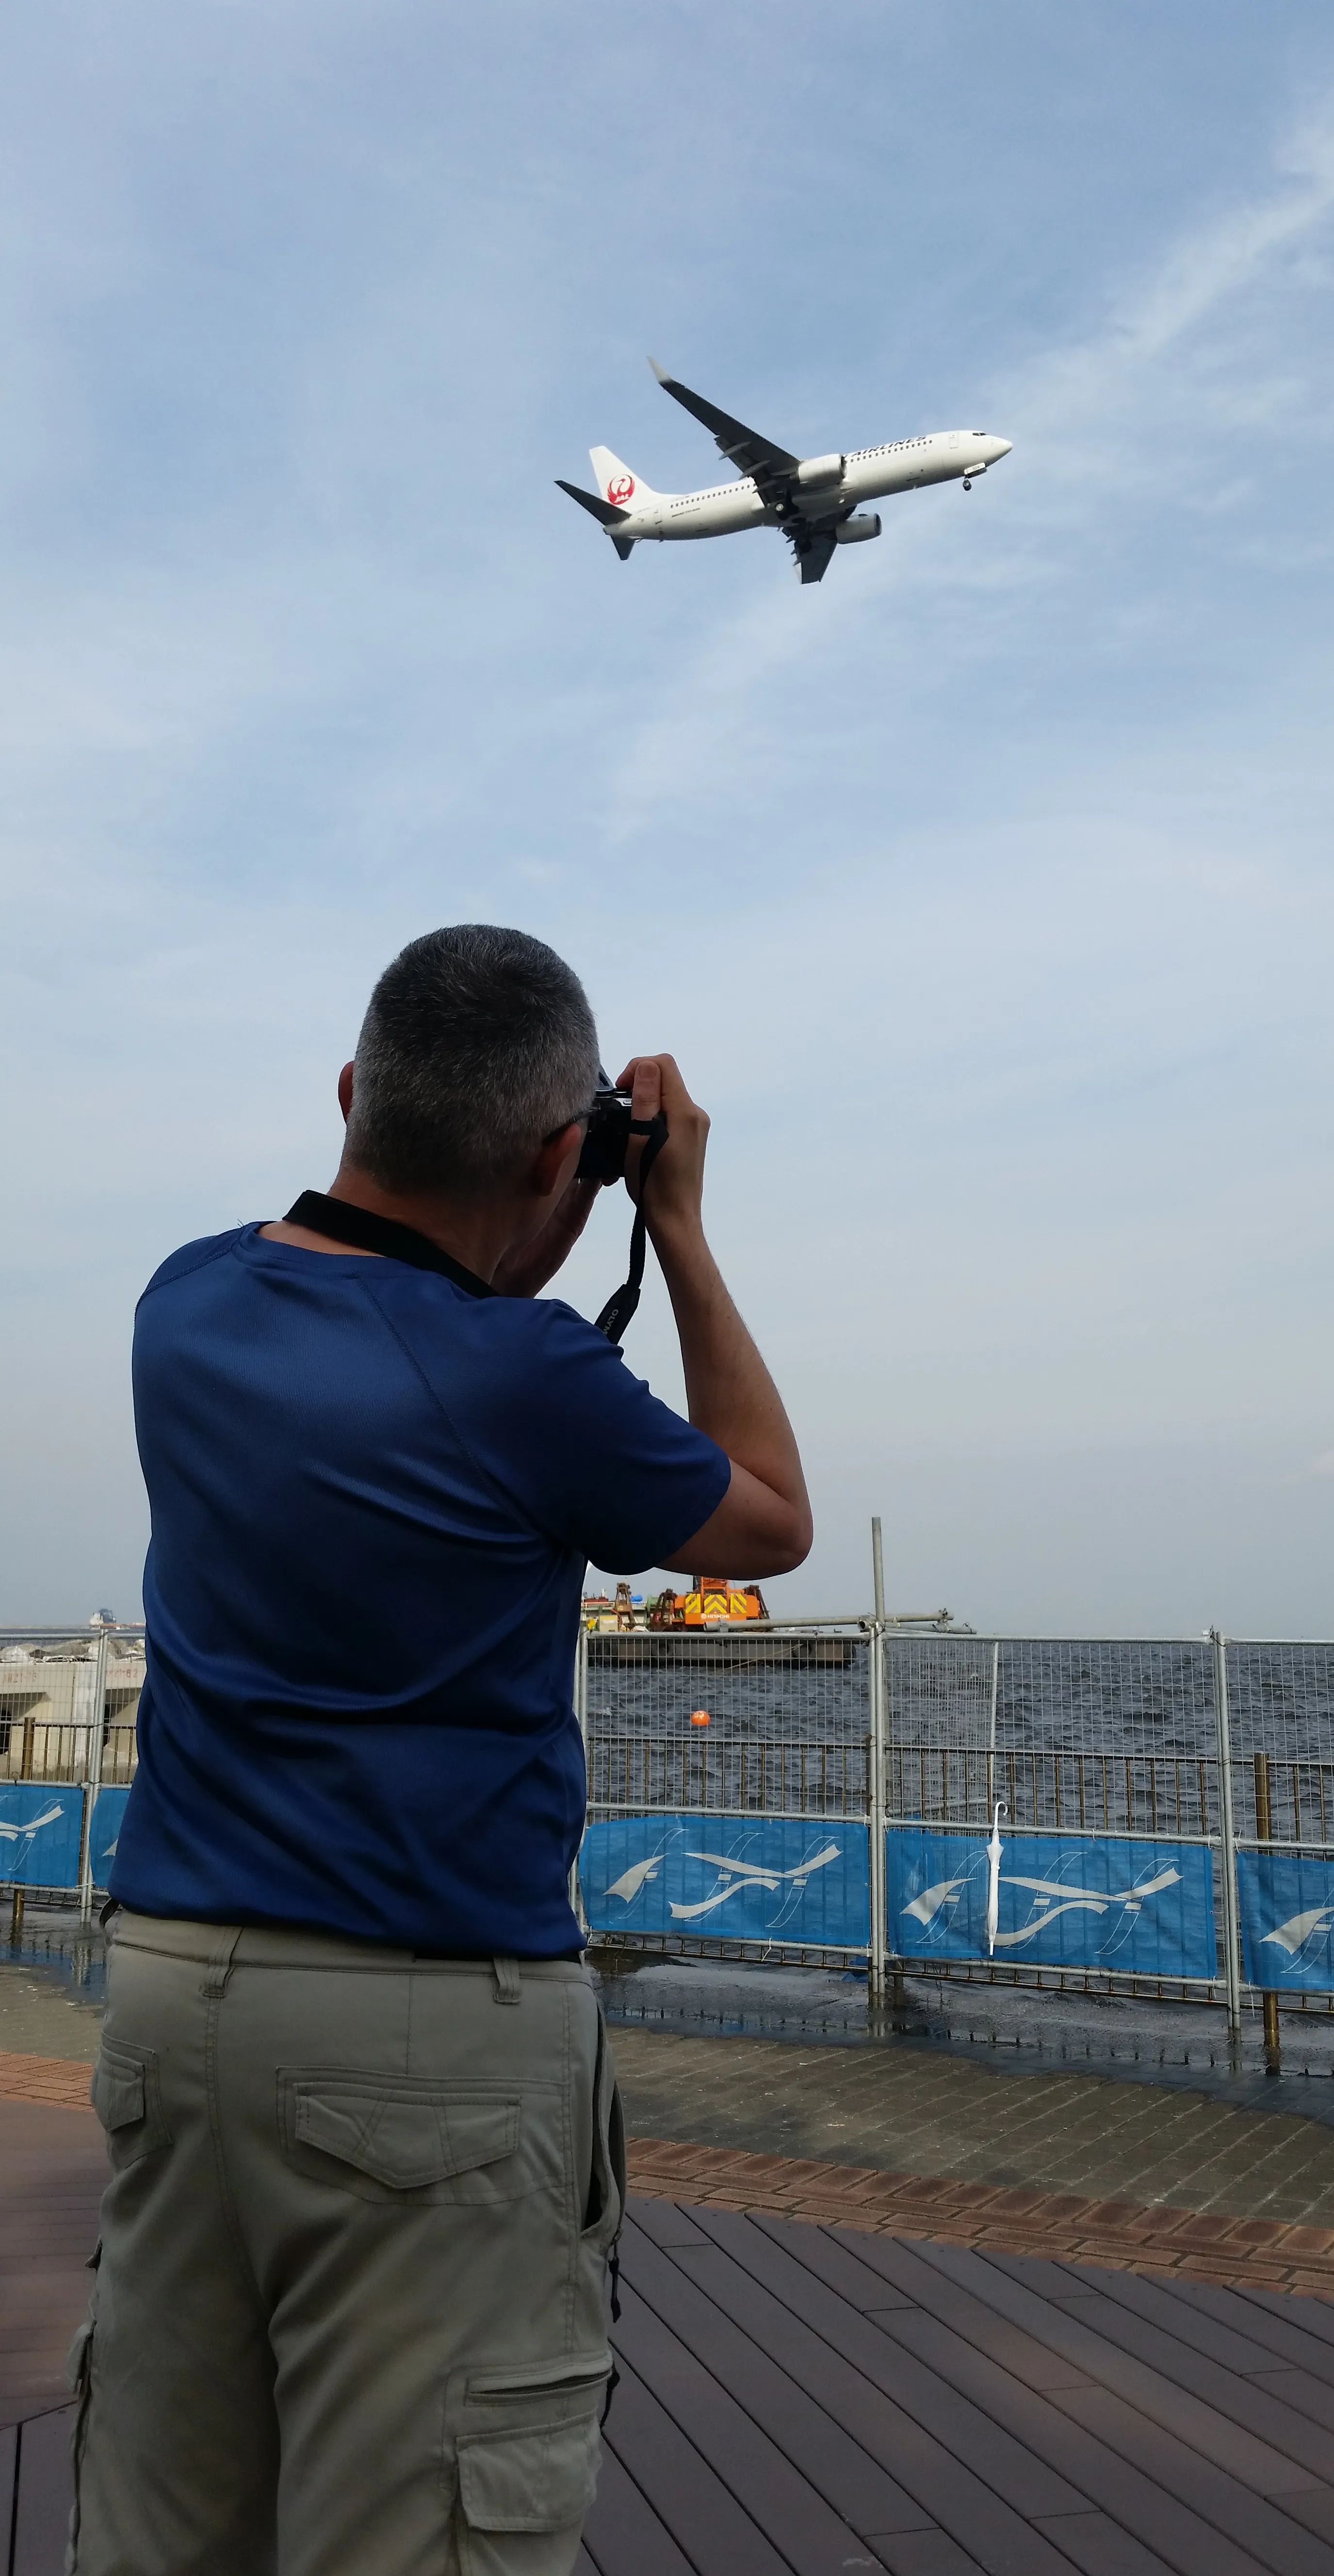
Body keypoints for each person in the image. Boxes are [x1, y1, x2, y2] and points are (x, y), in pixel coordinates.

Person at [73, 925, 812, 2576]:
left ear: (352, 1093)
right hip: (424, 2031)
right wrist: (674, 1227)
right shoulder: (524, 1376)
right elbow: (767, 1520)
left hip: (174, 1995)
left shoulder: (183, 1302)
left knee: (158, 2525)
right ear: (565, 1156)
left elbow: (377, 1281)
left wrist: (551, 1182)